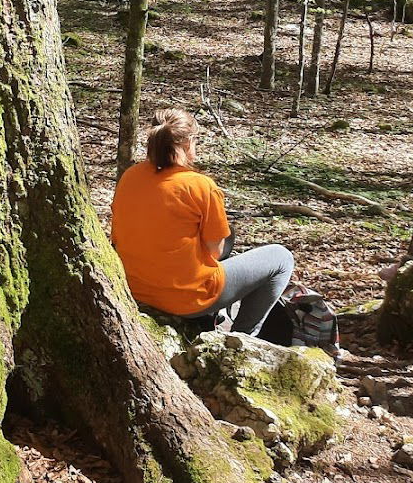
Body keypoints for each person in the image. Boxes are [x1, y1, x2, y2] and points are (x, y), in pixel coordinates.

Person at [111, 108, 293, 336]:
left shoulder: (130, 177)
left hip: (135, 287)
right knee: (281, 258)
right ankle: (244, 338)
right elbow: (215, 252)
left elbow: (118, 237)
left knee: (229, 237)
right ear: (188, 143)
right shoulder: (201, 187)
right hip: (187, 298)